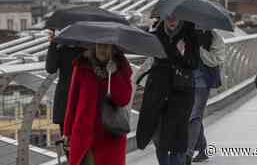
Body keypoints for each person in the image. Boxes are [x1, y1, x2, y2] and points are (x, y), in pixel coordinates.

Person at [136, 16, 199, 165]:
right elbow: (150, 55)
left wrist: (180, 53)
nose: (172, 21)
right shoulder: (155, 34)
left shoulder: (190, 34)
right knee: (157, 135)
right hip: (157, 89)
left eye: (176, 18)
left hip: (181, 91)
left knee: (178, 136)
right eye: (169, 17)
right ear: (163, 17)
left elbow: (194, 63)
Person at [63, 44, 133, 165]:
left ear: (113, 48)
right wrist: (67, 131)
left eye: (106, 46)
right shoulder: (82, 65)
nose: (102, 50)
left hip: (110, 135)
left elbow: (124, 99)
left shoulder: (121, 65)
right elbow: (73, 99)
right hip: (84, 134)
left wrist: (115, 74)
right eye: (99, 45)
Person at [186, 29, 225, 165]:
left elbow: (216, 59)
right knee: (192, 116)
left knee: (194, 116)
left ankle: (188, 153)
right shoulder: (185, 32)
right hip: (185, 80)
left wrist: (200, 51)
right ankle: (202, 149)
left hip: (203, 81)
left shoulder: (214, 37)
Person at [45, 29, 85, 136]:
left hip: (80, 98)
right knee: (67, 138)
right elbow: (51, 68)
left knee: (78, 137)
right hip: (66, 99)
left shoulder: (86, 51)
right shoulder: (61, 49)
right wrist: (53, 44)